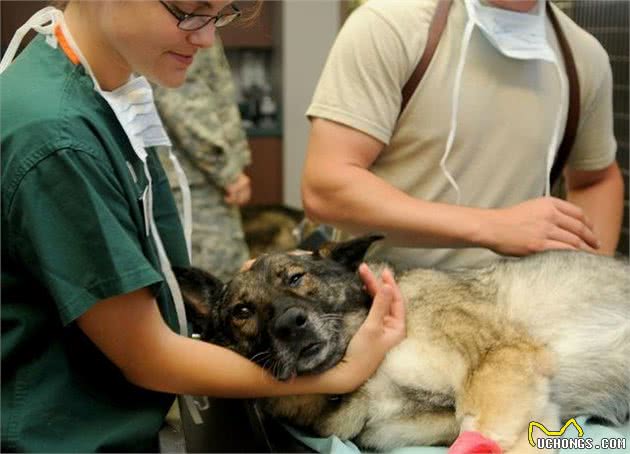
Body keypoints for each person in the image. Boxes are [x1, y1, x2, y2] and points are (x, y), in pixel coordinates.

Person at [0, 1, 406, 452]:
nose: (206, 37)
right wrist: (345, 370)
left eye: (220, 16)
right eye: (189, 11)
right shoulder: (57, 138)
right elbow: (148, 357)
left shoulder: (109, 97)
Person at [302, 0, 624, 270]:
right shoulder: (391, 26)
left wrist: (588, 279)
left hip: (519, 318)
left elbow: (596, 179)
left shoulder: (583, 57)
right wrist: (491, 226)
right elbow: (326, 187)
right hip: (386, 313)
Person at [154, 37, 251, 282]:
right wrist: (227, 172)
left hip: (187, 178)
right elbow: (184, 104)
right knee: (217, 287)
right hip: (195, 183)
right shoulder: (187, 24)